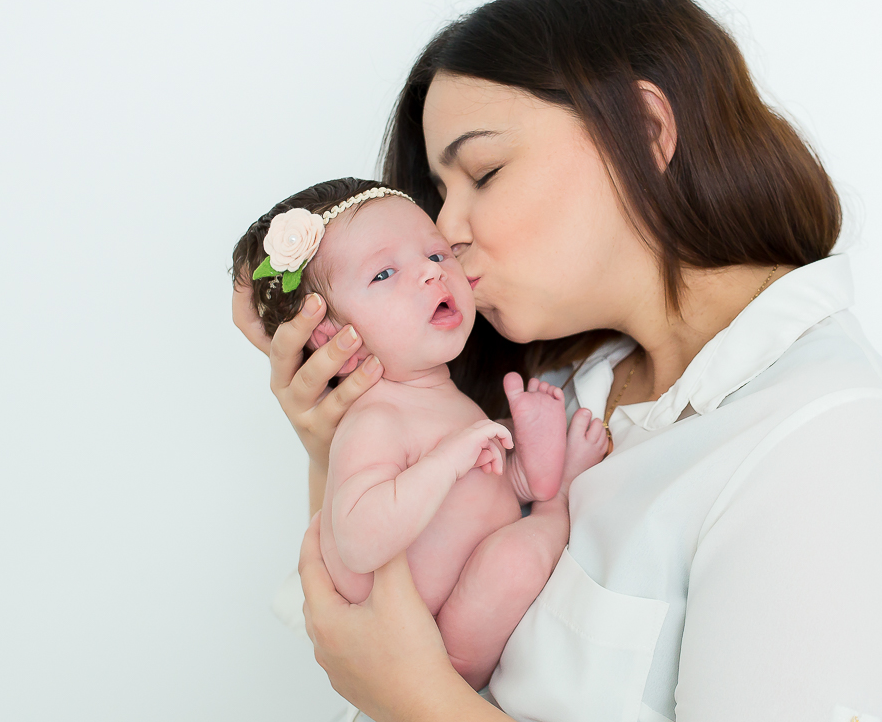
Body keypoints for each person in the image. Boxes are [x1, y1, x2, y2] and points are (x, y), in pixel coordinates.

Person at [233, 0, 882, 722]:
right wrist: (337, 431)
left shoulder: (831, 442)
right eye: (440, 197)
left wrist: (420, 700)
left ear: (647, 131)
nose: (445, 234)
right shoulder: (562, 384)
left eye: (483, 171)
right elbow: (372, 620)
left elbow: (393, 675)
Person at [231, 178, 606, 690]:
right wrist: (450, 459)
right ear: (331, 336)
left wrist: (530, 452)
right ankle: (558, 507)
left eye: (435, 253)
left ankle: (554, 495)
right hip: (433, 652)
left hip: (459, 621)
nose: (432, 272)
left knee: (511, 550)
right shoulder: (375, 421)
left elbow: (497, 492)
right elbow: (362, 541)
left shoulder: (448, 402)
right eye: (384, 273)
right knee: (514, 561)